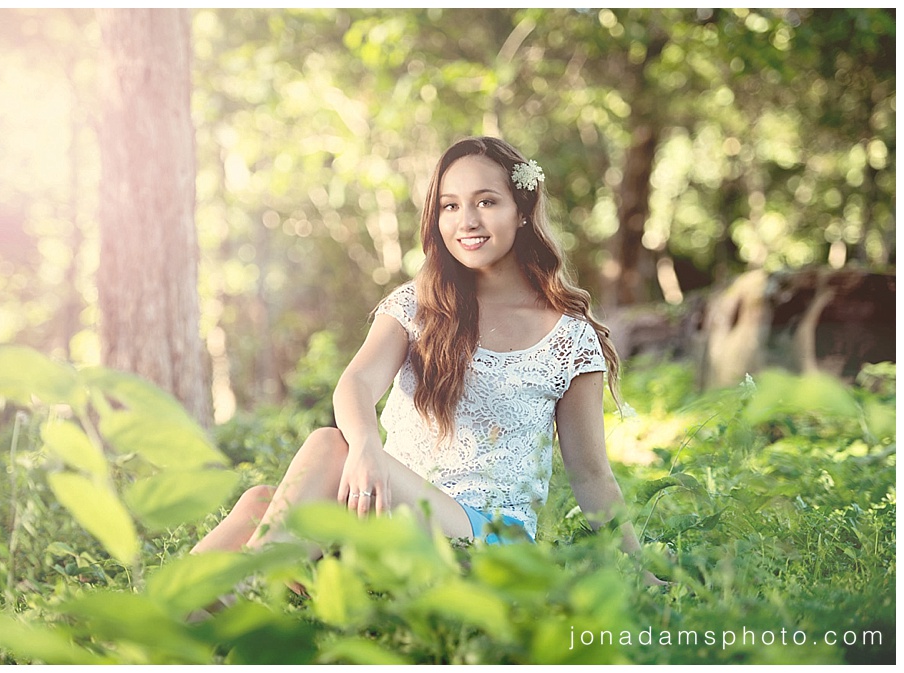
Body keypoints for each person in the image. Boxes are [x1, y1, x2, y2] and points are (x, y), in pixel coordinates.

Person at [193, 136, 662, 585]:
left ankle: (248, 590)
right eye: (450, 206)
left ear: (522, 211)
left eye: (486, 202)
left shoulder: (570, 337)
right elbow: (355, 384)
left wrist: (639, 571)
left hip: (492, 538)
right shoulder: (417, 306)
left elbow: (591, 473)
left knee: (326, 451)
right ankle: (170, 617)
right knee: (261, 501)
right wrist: (365, 447)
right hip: (392, 507)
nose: (467, 221)